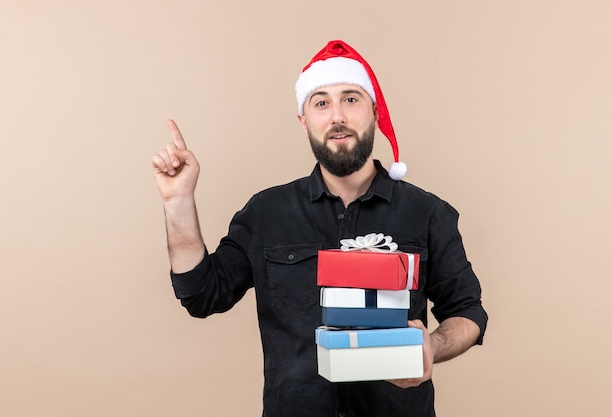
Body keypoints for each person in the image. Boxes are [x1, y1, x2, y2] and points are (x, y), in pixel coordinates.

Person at [152, 40, 488, 417]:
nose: (337, 117)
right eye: (321, 102)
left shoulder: (427, 213)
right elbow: (200, 295)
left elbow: (468, 313)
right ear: (304, 121)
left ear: (375, 112)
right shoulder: (267, 213)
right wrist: (177, 202)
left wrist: (433, 346)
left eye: (350, 99)